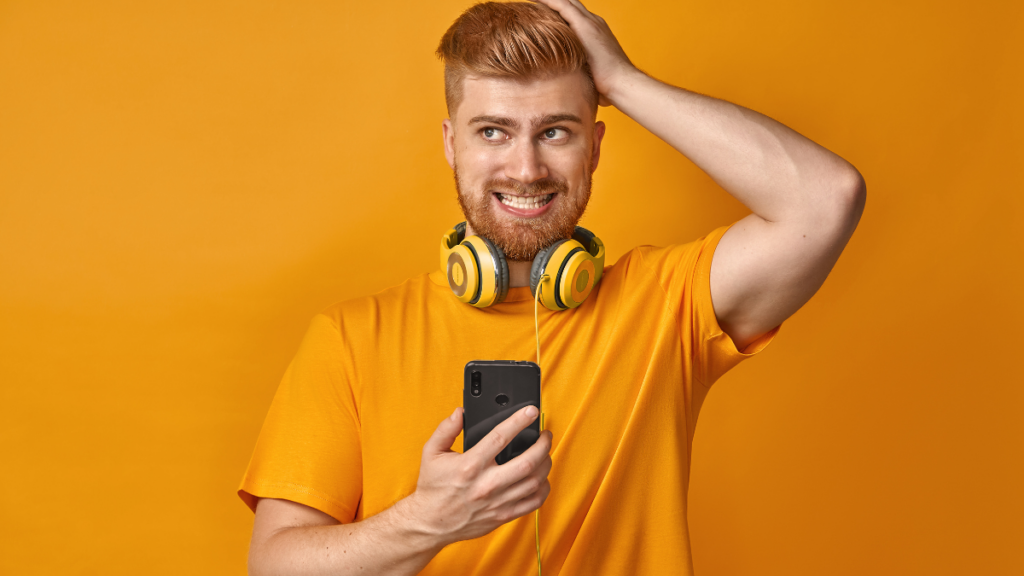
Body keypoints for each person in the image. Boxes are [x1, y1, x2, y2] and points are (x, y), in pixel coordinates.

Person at [238, 1, 866, 574]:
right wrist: (428, 520)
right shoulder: (351, 338)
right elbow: (275, 567)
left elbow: (825, 198)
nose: (525, 168)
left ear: (594, 147)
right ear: (451, 145)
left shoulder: (665, 303)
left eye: (555, 132)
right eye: (493, 132)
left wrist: (623, 81)